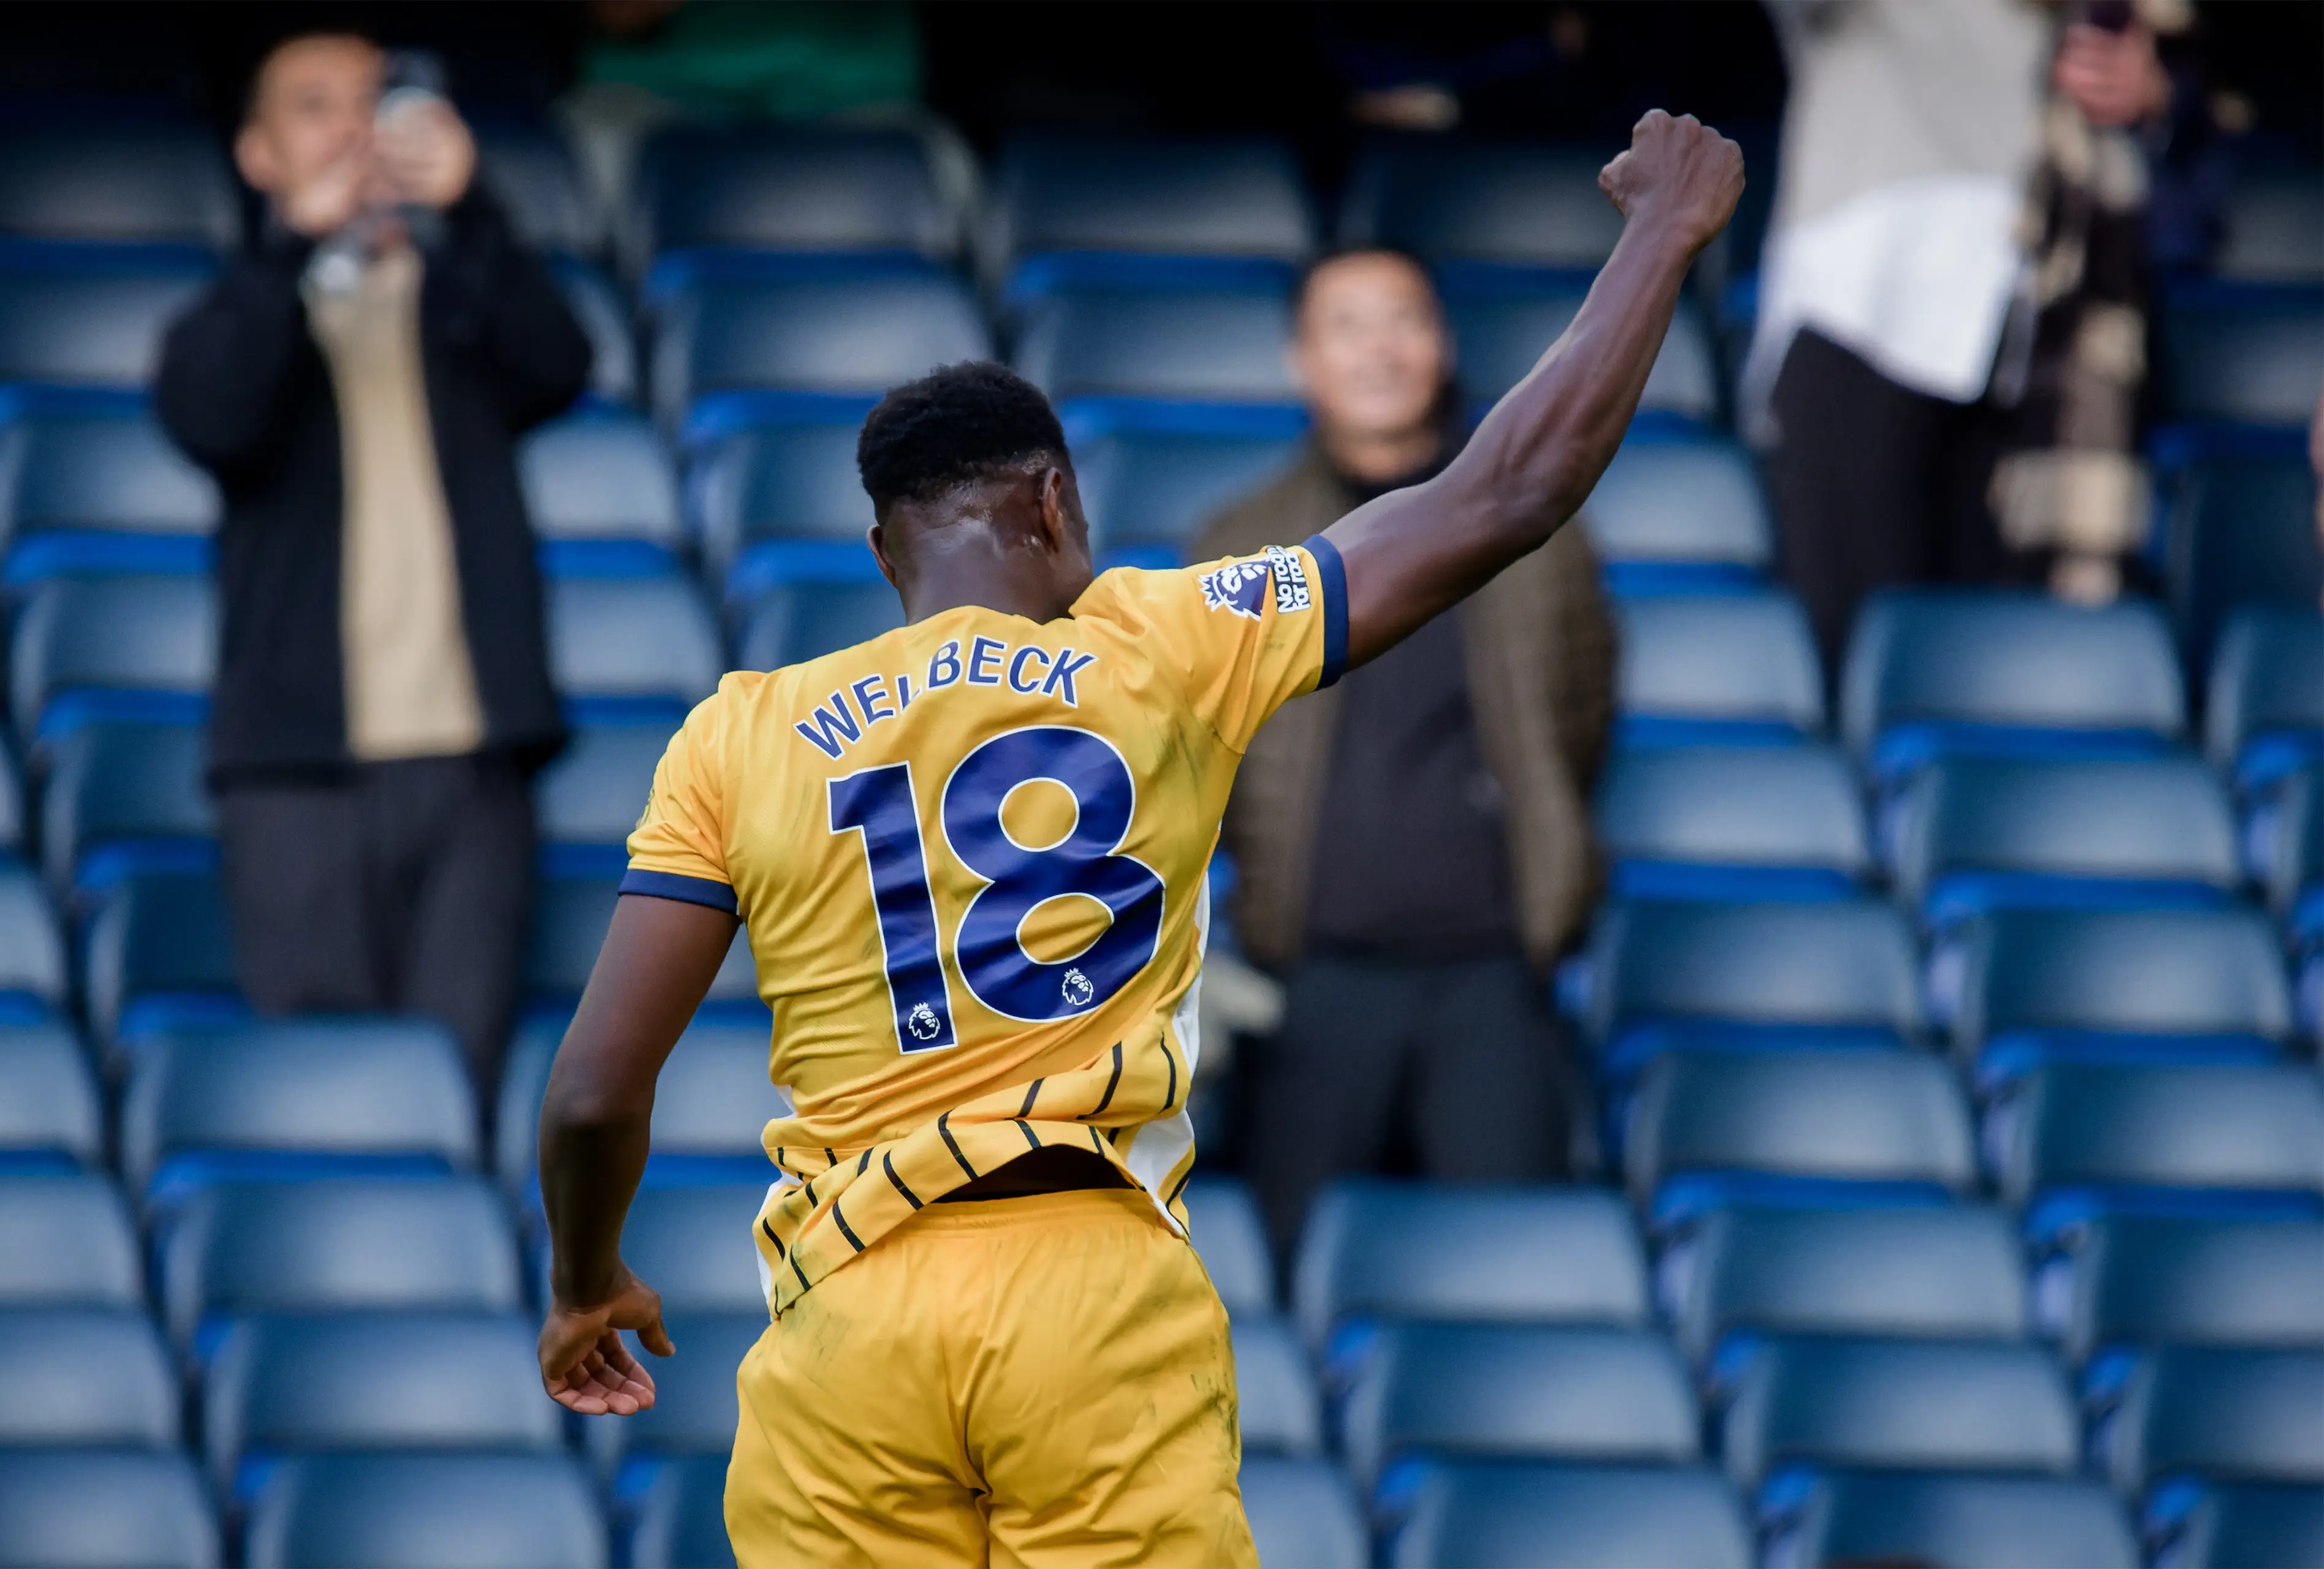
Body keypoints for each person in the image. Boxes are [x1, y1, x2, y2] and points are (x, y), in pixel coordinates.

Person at [534, 110, 1742, 1565]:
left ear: (884, 557)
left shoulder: (740, 729)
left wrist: (585, 1275)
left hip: (847, 1310)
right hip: (1090, 1287)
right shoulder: (1166, 641)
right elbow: (1504, 491)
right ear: (1054, 502)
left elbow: (596, 1090)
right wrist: (1661, 233)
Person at [156, 33, 590, 1094]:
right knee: (324, 1092)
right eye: (315, 108)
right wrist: (288, 257)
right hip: (295, 777)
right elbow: (214, 416)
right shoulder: (236, 315)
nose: (353, 131)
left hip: (473, 767)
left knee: (461, 1092)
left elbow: (561, 364)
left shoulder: (460, 302)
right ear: (258, 153)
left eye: (374, 102)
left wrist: (475, 210)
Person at [1194, 248, 1615, 1269]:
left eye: (1404, 321)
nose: (1380, 350)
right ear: (1302, 361)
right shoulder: (1242, 542)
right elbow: (1210, 747)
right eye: (1349, 325)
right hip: (1313, 980)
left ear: (1443, 346)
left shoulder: (1539, 535)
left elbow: (1583, 711)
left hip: (1493, 977)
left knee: (1516, 1272)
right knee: (1296, 1277)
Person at [1746, 0, 2187, 667]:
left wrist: (2160, 86)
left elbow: (2208, 90)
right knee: (1858, 652)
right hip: (1868, 302)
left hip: (2052, 317)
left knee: (2019, 661)